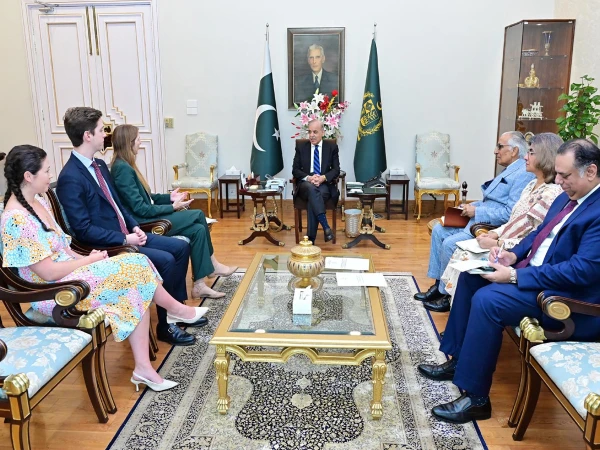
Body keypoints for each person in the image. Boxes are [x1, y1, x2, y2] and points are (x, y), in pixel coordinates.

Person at [418, 139, 600, 424]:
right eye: (557, 174)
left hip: (564, 298)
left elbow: (581, 272)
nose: (558, 181)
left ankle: (477, 399)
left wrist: (516, 275)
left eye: (565, 175)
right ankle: (458, 360)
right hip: (536, 276)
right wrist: (512, 255)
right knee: (471, 277)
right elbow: (539, 234)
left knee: (488, 300)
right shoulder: (568, 196)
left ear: (591, 171)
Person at [1, 145, 209, 392]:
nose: (50, 175)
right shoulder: (16, 219)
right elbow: (47, 273)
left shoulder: (37, 200)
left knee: (137, 271)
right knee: (135, 271)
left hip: (70, 273)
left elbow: (64, 248)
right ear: (28, 176)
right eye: (46, 171)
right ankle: (176, 312)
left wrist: (86, 257)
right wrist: (89, 261)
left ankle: (145, 366)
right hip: (53, 291)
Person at [56, 107, 198, 347]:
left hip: (127, 234)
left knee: (181, 247)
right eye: (101, 130)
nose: (106, 134)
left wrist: (134, 227)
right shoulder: (70, 177)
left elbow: (118, 204)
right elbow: (83, 230)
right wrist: (124, 239)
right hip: (106, 245)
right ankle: (166, 326)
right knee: (166, 259)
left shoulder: (99, 165)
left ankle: (176, 312)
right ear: (88, 136)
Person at [429, 133, 564, 313]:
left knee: (454, 247)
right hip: (495, 232)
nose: (525, 157)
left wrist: (496, 240)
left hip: (505, 242)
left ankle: (448, 298)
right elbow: (514, 219)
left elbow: (531, 233)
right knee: (439, 230)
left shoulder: (547, 191)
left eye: (530, 152)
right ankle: (440, 288)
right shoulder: (531, 185)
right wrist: (494, 232)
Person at [109, 124, 236, 299]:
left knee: (198, 230)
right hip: (144, 223)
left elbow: (148, 198)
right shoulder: (122, 169)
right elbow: (140, 208)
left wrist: (169, 197)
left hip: (147, 216)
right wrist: (173, 207)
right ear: (128, 142)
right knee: (198, 214)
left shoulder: (125, 165)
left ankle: (199, 286)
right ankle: (213, 264)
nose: (140, 142)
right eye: (137, 139)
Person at [414, 131, 535, 306]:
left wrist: (477, 212)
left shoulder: (523, 173)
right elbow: (491, 201)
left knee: (449, 244)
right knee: (439, 230)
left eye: (500, 146)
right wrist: (470, 207)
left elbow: (510, 213)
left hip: (488, 226)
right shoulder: (511, 169)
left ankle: (447, 295)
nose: (495, 151)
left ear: (514, 150)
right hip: (476, 219)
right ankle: (438, 285)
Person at [292, 119, 340, 243]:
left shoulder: (332, 147)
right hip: (305, 184)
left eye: (315, 132)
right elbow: (295, 170)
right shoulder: (301, 147)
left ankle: (310, 239)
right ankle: (325, 226)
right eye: (309, 132)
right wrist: (309, 178)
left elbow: (336, 170)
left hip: (323, 184)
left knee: (313, 197)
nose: (311, 135)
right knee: (311, 188)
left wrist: (323, 177)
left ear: (323, 132)